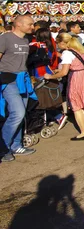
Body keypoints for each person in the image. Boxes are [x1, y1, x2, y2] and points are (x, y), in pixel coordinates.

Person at [44, 33, 84, 141]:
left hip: (76, 78)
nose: (57, 46)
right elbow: (76, 65)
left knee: (76, 106)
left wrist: (51, 76)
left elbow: (64, 72)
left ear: (62, 43)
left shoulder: (67, 53)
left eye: (57, 43)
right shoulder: (82, 49)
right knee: (82, 102)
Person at [0, 15, 36, 162]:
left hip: (23, 80)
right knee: (17, 113)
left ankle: (16, 145)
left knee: (22, 114)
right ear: (19, 24)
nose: (33, 27)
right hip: (9, 80)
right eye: (30, 24)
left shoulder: (25, 40)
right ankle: (3, 148)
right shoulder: (5, 38)